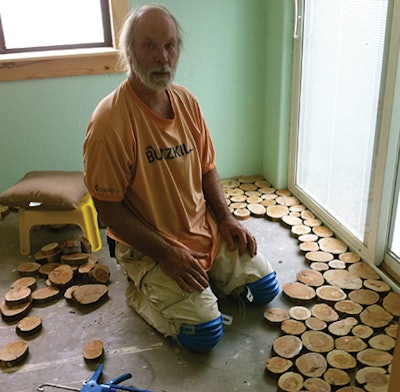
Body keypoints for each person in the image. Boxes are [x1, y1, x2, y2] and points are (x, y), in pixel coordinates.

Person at [83, 5, 279, 352]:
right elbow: (108, 210)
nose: (163, 58)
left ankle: (202, 284)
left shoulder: (187, 101)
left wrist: (225, 217)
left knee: (265, 289)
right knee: (204, 335)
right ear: (129, 52)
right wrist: (166, 254)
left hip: (201, 230)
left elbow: (207, 168)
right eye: (149, 46)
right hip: (150, 247)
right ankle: (140, 288)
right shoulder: (109, 122)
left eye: (170, 46)